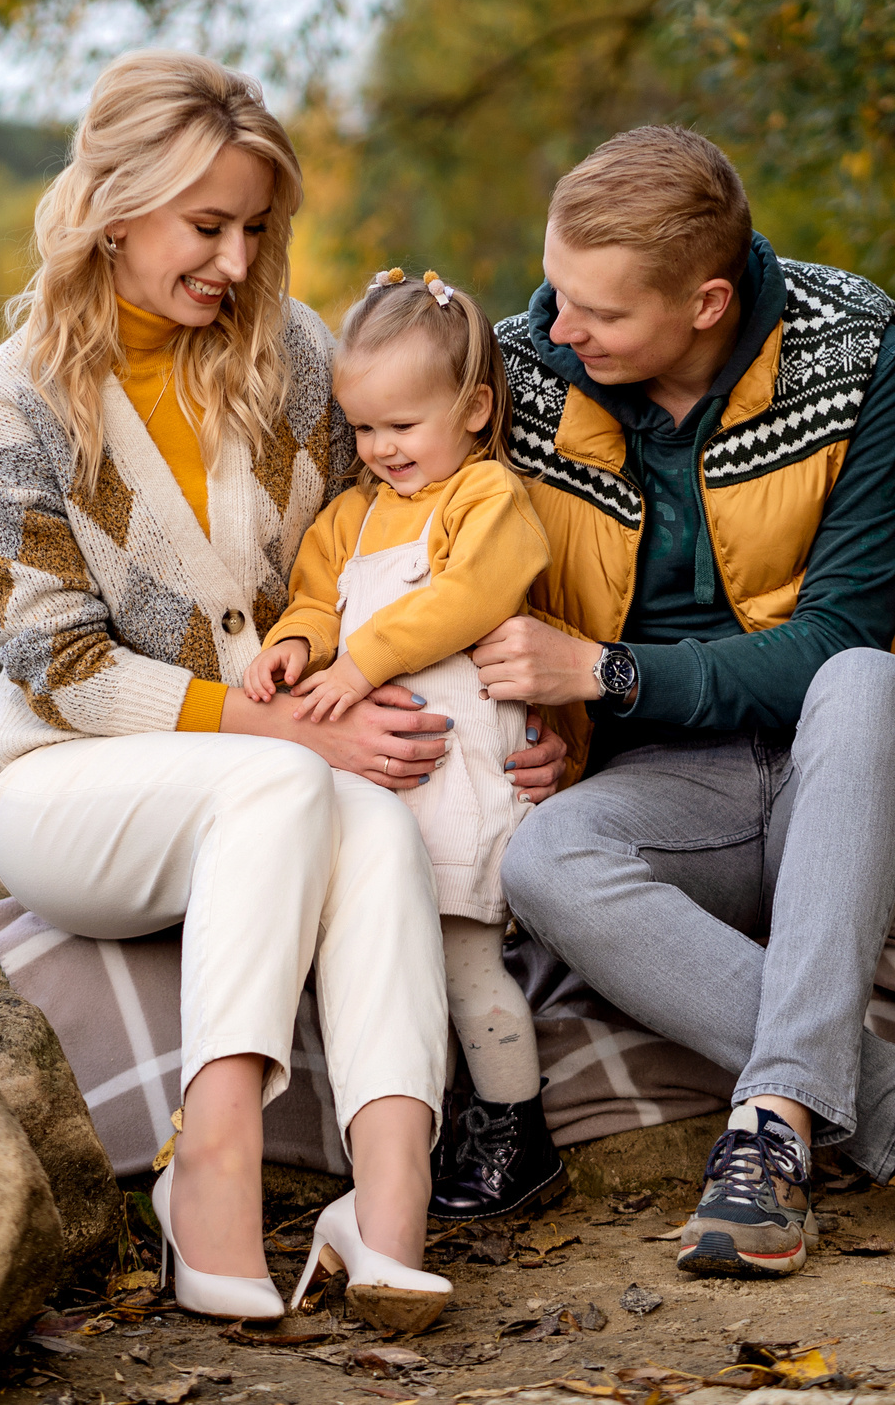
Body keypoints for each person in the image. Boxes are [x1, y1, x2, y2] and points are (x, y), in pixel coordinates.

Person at [0, 51, 543, 1332]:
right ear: (111, 205)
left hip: (284, 768)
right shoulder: (9, 410)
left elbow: (402, 537)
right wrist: (283, 722)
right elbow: (59, 665)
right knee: (290, 779)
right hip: (72, 785)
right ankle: (205, 1166)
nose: (234, 258)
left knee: (374, 821)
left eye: (255, 228)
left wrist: (532, 720)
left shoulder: (297, 357)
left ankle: (385, 1214)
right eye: (205, 225)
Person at [469, 125, 895, 1279]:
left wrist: (603, 673)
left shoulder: (856, 348)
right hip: (668, 780)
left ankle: (768, 1142)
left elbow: (837, 640)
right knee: (543, 860)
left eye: (596, 314)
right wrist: (538, 726)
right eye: (554, 291)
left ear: (703, 303)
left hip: (863, 755)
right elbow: (434, 560)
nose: (556, 330)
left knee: (857, 677)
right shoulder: (519, 374)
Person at [243, 268, 568, 1228]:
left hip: (457, 771)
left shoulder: (486, 497)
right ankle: (409, 1135)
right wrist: (295, 647)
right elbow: (313, 597)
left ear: (473, 410)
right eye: (365, 429)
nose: (381, 450)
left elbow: (468, 597)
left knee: (467, 963)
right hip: (378, 788)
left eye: (403, 427)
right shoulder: (349, 515)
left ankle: (518, 1130)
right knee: (392, 961)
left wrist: (364, 660)